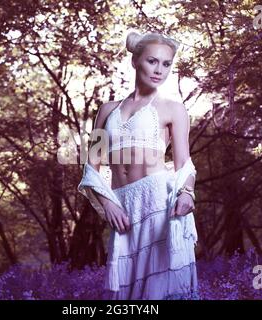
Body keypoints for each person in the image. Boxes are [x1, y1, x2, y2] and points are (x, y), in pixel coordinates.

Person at [78, 31, 199, 300]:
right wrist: (107, 202)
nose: (159, 70)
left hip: (158, 203)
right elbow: (91, 166)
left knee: (159, 291)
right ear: (135, 61)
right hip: (122, 205)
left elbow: (184, 165)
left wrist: (187, 193)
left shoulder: (173, 109)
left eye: (166, 64)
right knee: (125, 294)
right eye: (152, 61)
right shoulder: (106, 110)